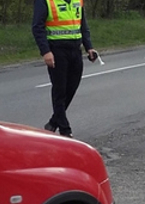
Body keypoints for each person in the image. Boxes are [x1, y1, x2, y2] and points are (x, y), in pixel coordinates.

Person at [32, 0, 97, 138]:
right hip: (57, 50)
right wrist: (45, 51)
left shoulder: (77, 1)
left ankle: (53, 123)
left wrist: (89, 47)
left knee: (71, 88)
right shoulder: (45, 1)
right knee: (60, 90)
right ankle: (65, 130)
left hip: (75, 49)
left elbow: (82, 25)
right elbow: (37, 27)